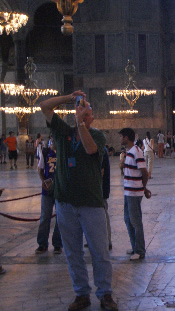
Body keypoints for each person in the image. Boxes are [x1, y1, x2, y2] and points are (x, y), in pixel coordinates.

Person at [39, 91, 118, 311]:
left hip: (91, 204)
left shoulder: (98, 136)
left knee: (99, 252)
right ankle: (81, 294)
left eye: (87, 109)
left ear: (92, 117)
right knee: (73, 253)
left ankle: (105, 294)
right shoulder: (63, 132)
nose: (83, 110)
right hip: (65, 203)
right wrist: (68, 98)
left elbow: (90, 149)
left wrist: (80, 124)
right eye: (80, 107)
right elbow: (44, 105)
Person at [119, 127, 150, 261]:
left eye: (121, 137)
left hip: (134, 192)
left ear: (126, 138)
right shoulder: (129, 152)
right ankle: (135, 246)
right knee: (128, 219)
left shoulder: (136, 152)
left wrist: (143, 188)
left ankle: (140, 250)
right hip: (128, 191)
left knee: (136, 221)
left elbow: (144, 172)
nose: (120, 139)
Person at [35, 138, 63, 255]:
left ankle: (57, 244)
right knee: (45, 217)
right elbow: (40, 169)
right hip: (47, 191)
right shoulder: (46, 152)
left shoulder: (63, 152)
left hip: (60, 191)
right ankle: (42, 244)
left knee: (60, 218)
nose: (53, 143)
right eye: (51, 141)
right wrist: (44, 181)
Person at [102, 147, 112, 250]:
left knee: (103, 214)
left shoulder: (100, 150)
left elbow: (101, 171)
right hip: (99, 190)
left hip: (100, 190)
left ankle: (107, 240)